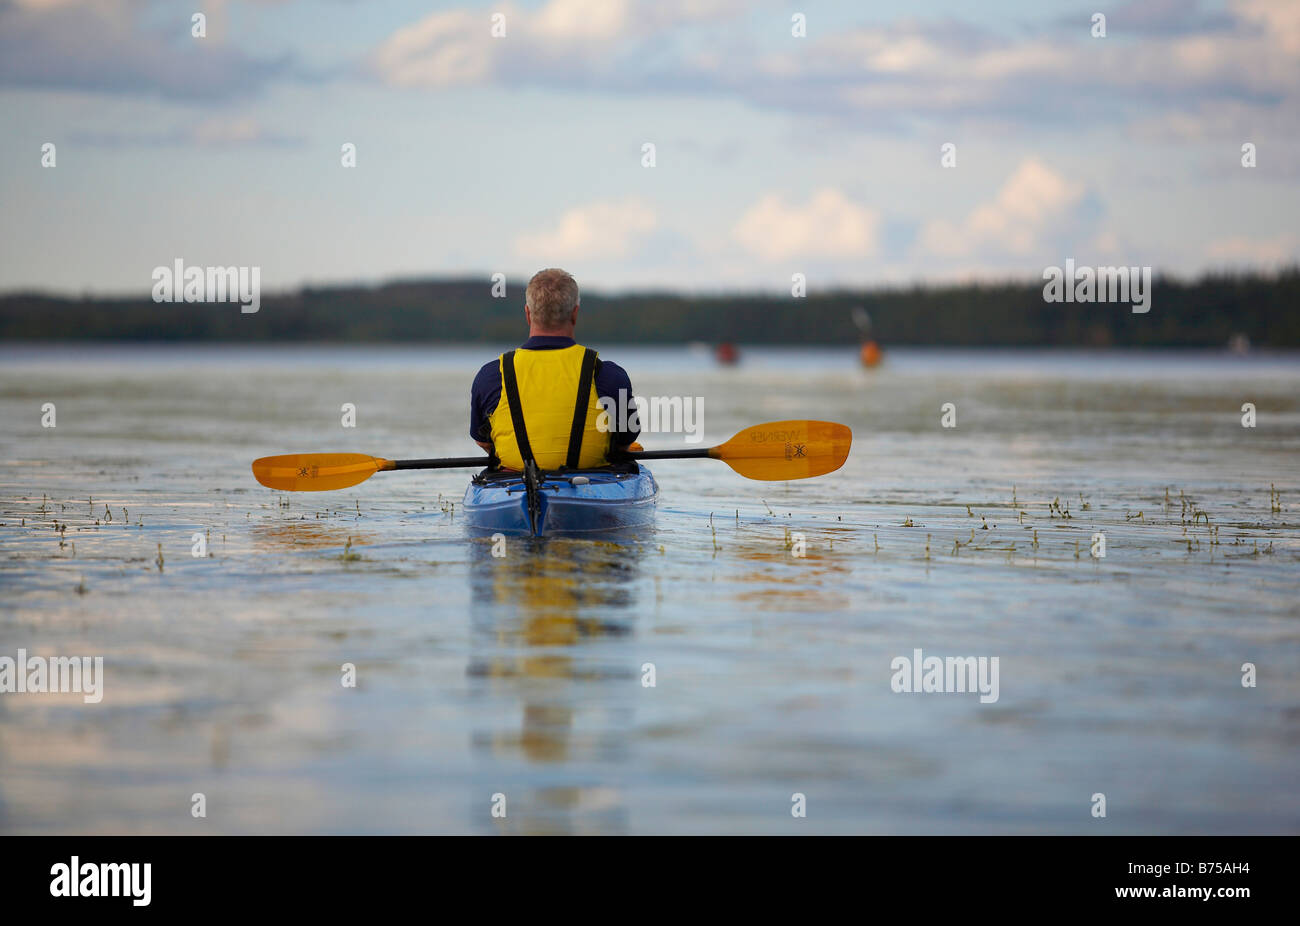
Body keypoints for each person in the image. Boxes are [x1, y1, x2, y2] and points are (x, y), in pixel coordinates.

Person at [470, 268, 639, 471]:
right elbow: (625, 441)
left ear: (528, 314)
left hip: (514, 482)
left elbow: (483, 441)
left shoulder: (491, 375)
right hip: (591, 480)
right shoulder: (610, 376)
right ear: (575, 314)